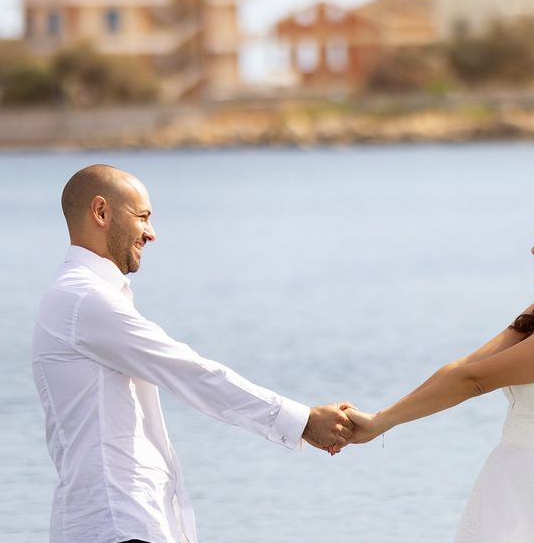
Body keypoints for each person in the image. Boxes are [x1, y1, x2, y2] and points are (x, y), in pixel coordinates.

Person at [31, 164, 353, 543]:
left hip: (124, 522)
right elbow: (190, 373)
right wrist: (302, 421)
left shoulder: (82, 298)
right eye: (143, 217)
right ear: (101, 212)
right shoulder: (84, 300)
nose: (151, 233)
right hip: (116, 525)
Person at [345, 195, 534, 542]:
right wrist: (379, 418)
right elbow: (466, 367)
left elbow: (475, 380)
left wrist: (381, 422)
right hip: (513, 485)